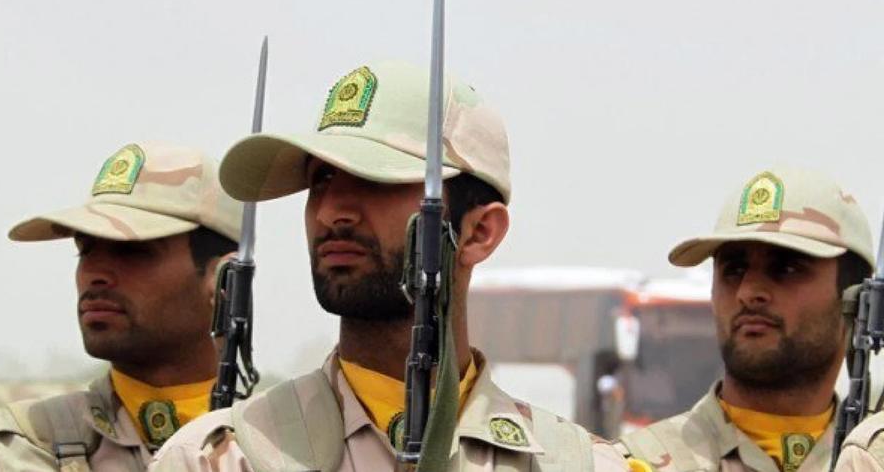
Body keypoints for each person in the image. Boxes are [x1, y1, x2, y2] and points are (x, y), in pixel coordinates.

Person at [149, 60, 642, 471]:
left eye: (375, 180)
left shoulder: (577, 464)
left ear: (479, 232)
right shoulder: (219, 458)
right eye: (321, 180)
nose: (330, 212)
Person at [0, 141, 242, 471]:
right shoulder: (4, 453)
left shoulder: (280, 447)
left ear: (223, 279)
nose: (94, 274)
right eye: (85, 251)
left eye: (132, 251)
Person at [614, 166, 873, 472]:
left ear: (856, 302)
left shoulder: (870, 459)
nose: (748, 292)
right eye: (733, 269)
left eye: (786, 268)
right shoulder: (631, 465)